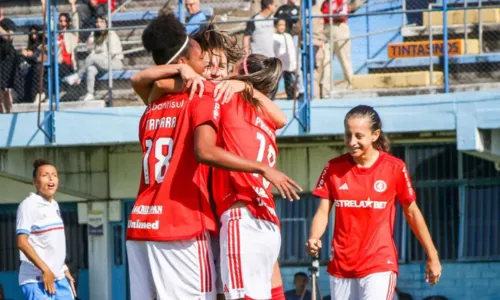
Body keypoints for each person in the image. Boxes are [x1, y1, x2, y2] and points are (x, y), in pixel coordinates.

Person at [126, 14, 300, 300]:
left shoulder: (167, 101)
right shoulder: (207, 96)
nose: (216, 70)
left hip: (152, 218)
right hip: (188, 219)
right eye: (208, 63)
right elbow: (277, 120)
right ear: (189, 64)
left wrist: (243, 86)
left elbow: (145, 82)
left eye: (222, 65)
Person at [306, 105, 442, 299]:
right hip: (341, 265)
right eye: (348, 135)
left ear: (375, 135)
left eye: (359, 136)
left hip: (379, 263)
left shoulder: (394, 168)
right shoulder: (334, 168)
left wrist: (433, 255)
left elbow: (412, 213)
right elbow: (322, 211)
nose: (352, 142)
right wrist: (314, 237)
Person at [16, 159, 76, 300]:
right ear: (35, 182)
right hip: (35, 280)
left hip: (58, 278)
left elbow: (51, 243)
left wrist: (63, 268)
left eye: (54, 175)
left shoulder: (54, 205)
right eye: (45, 175)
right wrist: (45, 270)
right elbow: (22, 242)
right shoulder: (28, 205)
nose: (51, 178)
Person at [64, 15, 123, 101]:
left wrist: (97, 57)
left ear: (106, 24)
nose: (98, 24)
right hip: (100, 62)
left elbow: (112, 54)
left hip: (114, 62)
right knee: (90, 68)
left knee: (93, 57)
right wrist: (89, 44)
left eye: (101, 22)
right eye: (97, 22)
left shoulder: (111, 34)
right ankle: (90, 93)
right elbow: (90, 51)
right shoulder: (95, 33)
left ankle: (78, 75)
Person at [274, 17, 296, 100]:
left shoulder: (288, 36)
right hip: (278, 62)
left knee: (288, 79)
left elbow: (291, 50)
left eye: (283, 25)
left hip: (287, 62)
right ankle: (271, 96)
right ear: (276, 26)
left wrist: (293, 62)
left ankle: (290, 96)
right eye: (280, 25)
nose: (282, 27)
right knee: (276, 80)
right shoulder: (273, 36)